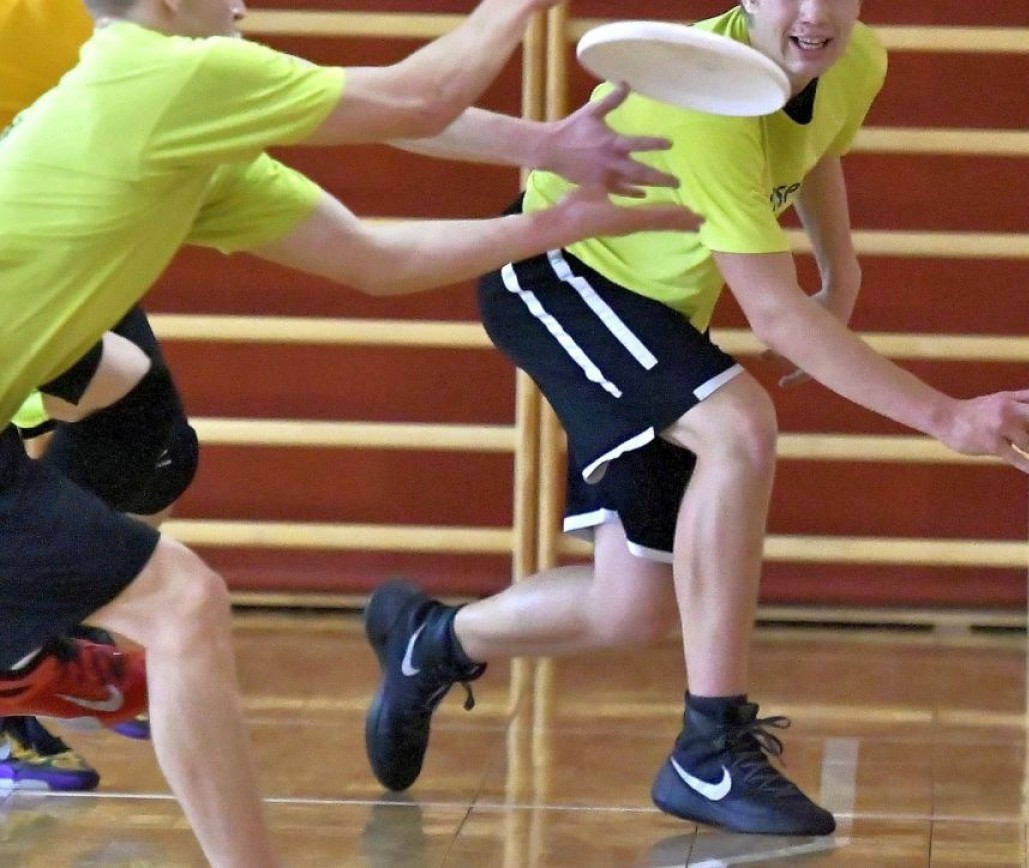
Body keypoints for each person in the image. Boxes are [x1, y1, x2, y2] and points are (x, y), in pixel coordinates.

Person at [0, 0, 701, 863]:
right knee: (180, 602)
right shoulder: (169, 75)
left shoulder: (185, 130)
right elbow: (419, 97)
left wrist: (556, 222)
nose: (242, 4)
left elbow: (375, 259)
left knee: (160, 518)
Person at [362, 0, 1029, 838]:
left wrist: (841, 265)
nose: (814, 14)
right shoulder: (703, 102)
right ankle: (710, 747)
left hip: (656, 305)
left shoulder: (855, 59)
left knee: (630, 608)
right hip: (559, 273)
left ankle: (431, 641)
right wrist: (947, 418)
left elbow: (814, 146)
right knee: (738, 425)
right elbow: (773, 314)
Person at [0, 1, 163, 792]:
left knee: (146, 431)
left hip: (59, 198)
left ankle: (35, 644)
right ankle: (22, 668)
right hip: (26, 218)